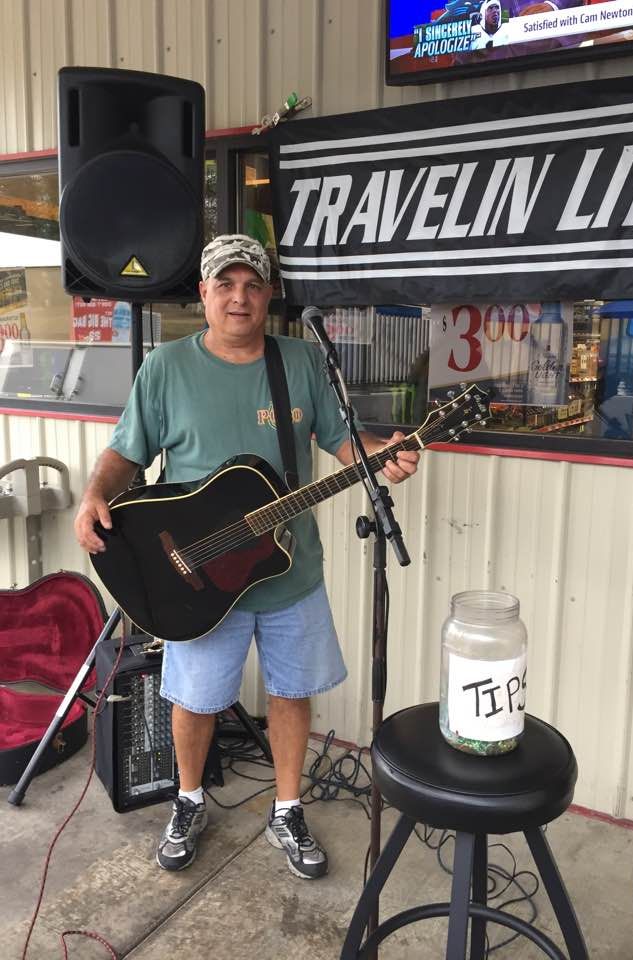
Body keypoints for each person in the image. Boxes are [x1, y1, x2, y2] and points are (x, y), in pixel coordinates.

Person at [74, 234, 419, 880]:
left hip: (290, 569)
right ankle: (189, 798)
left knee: (292, 692)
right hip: (198, 577)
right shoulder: (167, 370)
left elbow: (343, 440)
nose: (240, 297)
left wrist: (382, 457)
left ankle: (287, 808)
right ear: (203, 294)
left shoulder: (302, 361)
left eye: (253, 285)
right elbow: (127, 453)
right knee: (195, 698)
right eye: (225, 285)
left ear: (269, 295)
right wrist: (95, 492)